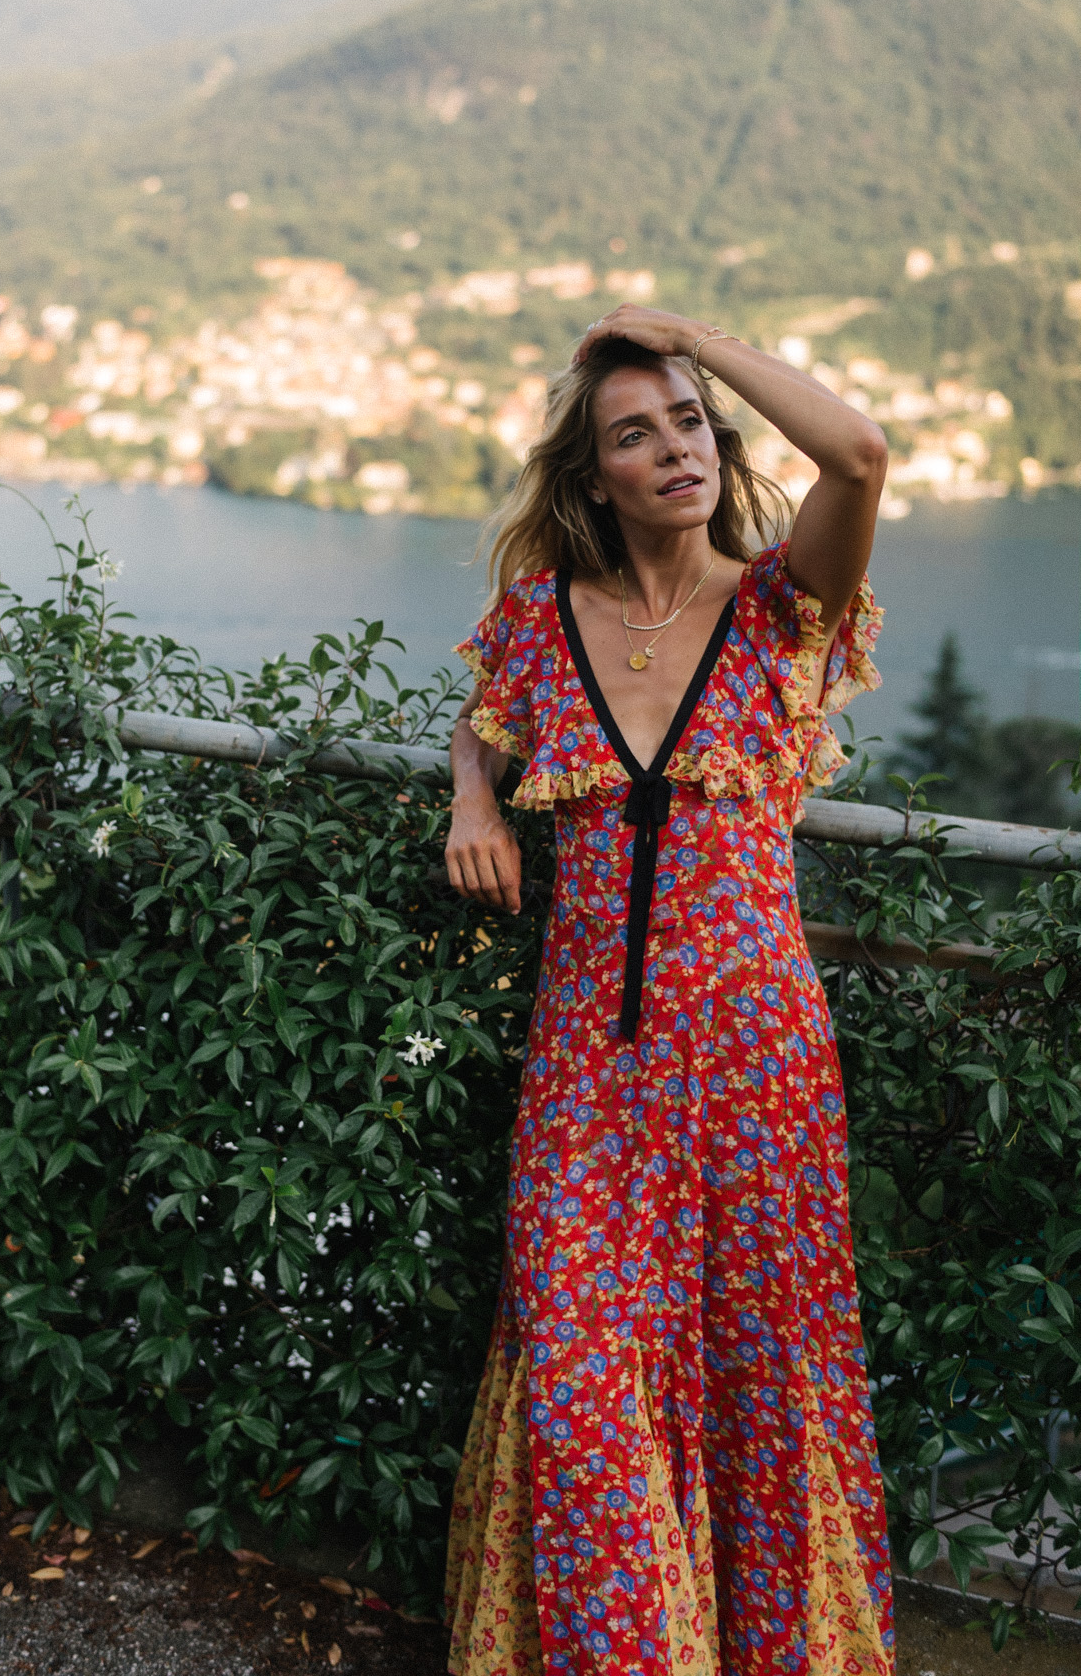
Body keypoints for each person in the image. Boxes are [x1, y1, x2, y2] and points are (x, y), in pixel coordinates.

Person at [442, 305, 893, 1676]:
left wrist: (697, 340)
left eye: (689, 421)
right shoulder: (538, 622)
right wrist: (476, 797)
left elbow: (862, 457)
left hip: (759, 1067)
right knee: (578, 1384)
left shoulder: (777, 613)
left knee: (761, 1383)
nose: (675, 450)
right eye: (635, 435)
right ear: (595, 481)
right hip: (589, 1071)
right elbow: (480, 713)